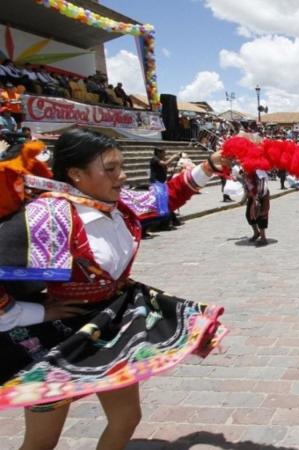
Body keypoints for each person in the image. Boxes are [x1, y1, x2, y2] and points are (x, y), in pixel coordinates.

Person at [0, 131, 228, 450]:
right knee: (42, 442)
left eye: (121, 166)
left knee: (126, 418)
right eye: (110, 169)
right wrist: (32, 312)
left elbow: (166, 197)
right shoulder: (49, 214)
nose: (121, 176)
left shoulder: (116, 205)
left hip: (110, 328)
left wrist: (211, 166)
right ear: (75, 174)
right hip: (57, 340)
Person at [244, 169, 270, 247]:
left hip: (261, 197)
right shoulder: (246, 173)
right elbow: (246, 186)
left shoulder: (260, 173)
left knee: (261, 216)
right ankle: (256, 233)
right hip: (252, 197)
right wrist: (245, 198)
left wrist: (256, 200)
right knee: (249, 215)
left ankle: (263, 238)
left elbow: (262, 187)